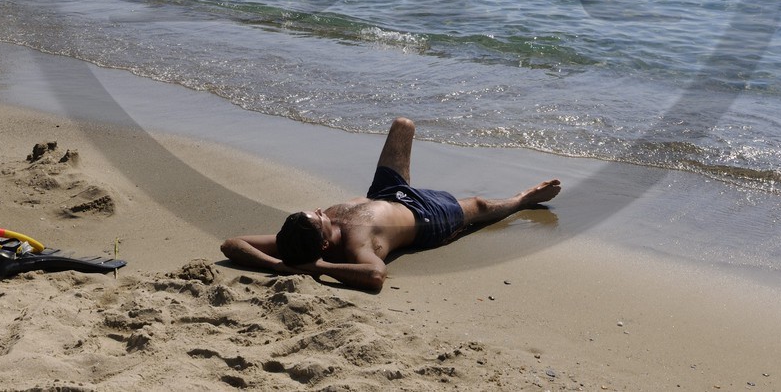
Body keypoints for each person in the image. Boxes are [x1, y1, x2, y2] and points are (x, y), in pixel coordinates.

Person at [220, 117, 561, 292]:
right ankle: (524, 198)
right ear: (324, 243)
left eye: (316, 211)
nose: (322, 211)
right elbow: (375, 275)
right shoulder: (355, 247)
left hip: (385, 192)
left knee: (403, 125)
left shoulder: (292, 239)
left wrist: (280, 266)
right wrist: (315, 269)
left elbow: (231, 243)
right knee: (481, 206)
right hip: (424, 216)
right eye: (320, 218)